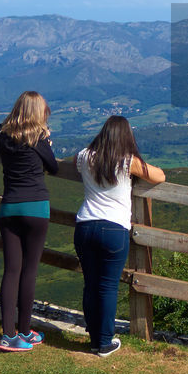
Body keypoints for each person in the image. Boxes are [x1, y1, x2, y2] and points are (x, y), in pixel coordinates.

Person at [74, 115, 165, 356]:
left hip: (84, 225)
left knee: (90, 284)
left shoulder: (84, 156)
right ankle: (104, 342)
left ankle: (94, 338)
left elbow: (71, 162)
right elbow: (159, 176)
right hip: (113, 228)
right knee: (107, 287)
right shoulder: (127, 162)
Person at [0, 91, 59, 352]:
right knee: (29, 271)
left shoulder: (1, 134)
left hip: (9, 207)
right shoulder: (40, 139)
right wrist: (49, 146)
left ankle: (8, 335)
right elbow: (53, 167)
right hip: (36, 209)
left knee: (11, 271)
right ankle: (24, 330)